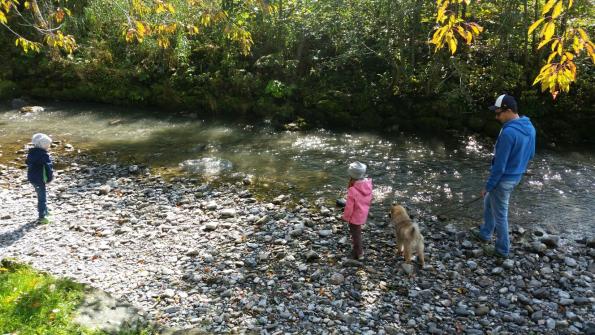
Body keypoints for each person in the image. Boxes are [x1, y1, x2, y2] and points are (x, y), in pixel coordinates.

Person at [472, 94, 536, 258]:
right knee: (488, 203)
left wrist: (488, 186)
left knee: (501, 215)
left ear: (508, 110)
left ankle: (502, 250)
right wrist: (519, 166)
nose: (496, 116)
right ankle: (485, 233)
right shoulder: (529, 127)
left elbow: (499, 167)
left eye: (499, 113)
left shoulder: (508, 133)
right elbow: (531, 154)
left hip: (504, 180)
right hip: (516, 177)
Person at [341, 161, 373, 260]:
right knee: (357, 232)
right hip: (363, 212)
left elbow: (349, 207)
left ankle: (358, 253)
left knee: (355, 234)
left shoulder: (353, 190)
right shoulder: (368, 184)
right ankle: (358, 250)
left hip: (354, 216)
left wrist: (345, 217)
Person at [26, 133, 54, 224]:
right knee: (42, 198)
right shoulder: (43, 155)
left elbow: (27, 162)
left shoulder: (32, 153)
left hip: (32, 178)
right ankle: (42, 217)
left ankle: (45, 211)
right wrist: (50, 179)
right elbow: (48, 168)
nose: (49, 146)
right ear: (44, 145)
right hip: (39, 179)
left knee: (42, 195)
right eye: (48, 145)